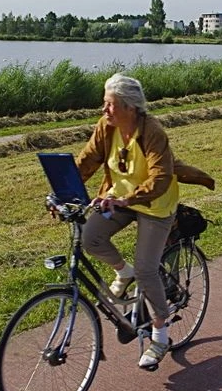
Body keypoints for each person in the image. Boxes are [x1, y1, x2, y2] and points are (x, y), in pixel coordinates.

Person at [75, 72, 214, 369]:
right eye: (104, 103)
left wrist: (128, 199)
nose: (104, 109)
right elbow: (87, 160)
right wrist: (64, 191)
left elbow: (161, 177)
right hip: (120, 198)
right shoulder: (106, 127)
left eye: (110, 104)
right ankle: (123, 272)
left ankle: (160, 336)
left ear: (129, 107)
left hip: (154, 204)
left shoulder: (152, 131)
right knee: (90, 238)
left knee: (146, 269)